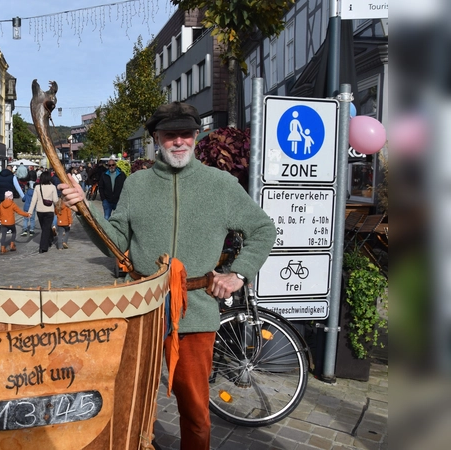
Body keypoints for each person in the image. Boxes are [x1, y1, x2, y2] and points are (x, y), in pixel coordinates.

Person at [58, 101, 276, 450]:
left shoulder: (220, 184)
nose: (179, 142)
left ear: (195, 136)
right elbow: (114, 243)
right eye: (170, 135)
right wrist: (85, 208)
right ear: (157, 139)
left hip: (196, 310)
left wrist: (238, 274)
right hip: (140, 309)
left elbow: (263, 229)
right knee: (134, 400)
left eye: (185, 134)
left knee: (195, 409)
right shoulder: (137, 184)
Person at [27, 171, 59, 254]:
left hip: (40, 211)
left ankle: (50, 239)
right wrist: (58, 207)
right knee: (46, 228)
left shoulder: (37, 187)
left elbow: (33, 200)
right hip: (49, 210)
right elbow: (55, 200)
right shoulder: (52, 187)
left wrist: (30, 211)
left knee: (45, 227)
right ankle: (43, 247)